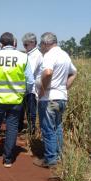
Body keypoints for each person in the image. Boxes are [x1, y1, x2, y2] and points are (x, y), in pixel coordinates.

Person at [0, 32, 34, 169]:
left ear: (1, 44)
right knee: (12, 128)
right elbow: (30, 81)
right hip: (16, 100)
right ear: (13, 43)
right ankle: (8, 160)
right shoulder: (23, 57)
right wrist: (24, 93)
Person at [33, 32, 77, 168]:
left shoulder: (49, 55)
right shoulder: (64, 54)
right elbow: (74, 72)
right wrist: (64, 87)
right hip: (61, 98)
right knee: (57, 126)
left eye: (42, 44)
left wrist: (43, 90)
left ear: (46, 43)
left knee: (48, 128)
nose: (42, 47)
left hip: (49, 99)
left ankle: (50, 159)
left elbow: (47, 72)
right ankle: (58, 155)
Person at [19, 33, 43, 134]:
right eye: (24, 44)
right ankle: (22, 129)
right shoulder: (29, 54)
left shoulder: (36, 55)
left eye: (26, 44)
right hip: (26, 88)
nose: (24, 47)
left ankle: (31, 132)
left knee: (30, 112)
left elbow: (29, 73)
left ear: (33, 43)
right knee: (22, 111)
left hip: (31, 89)